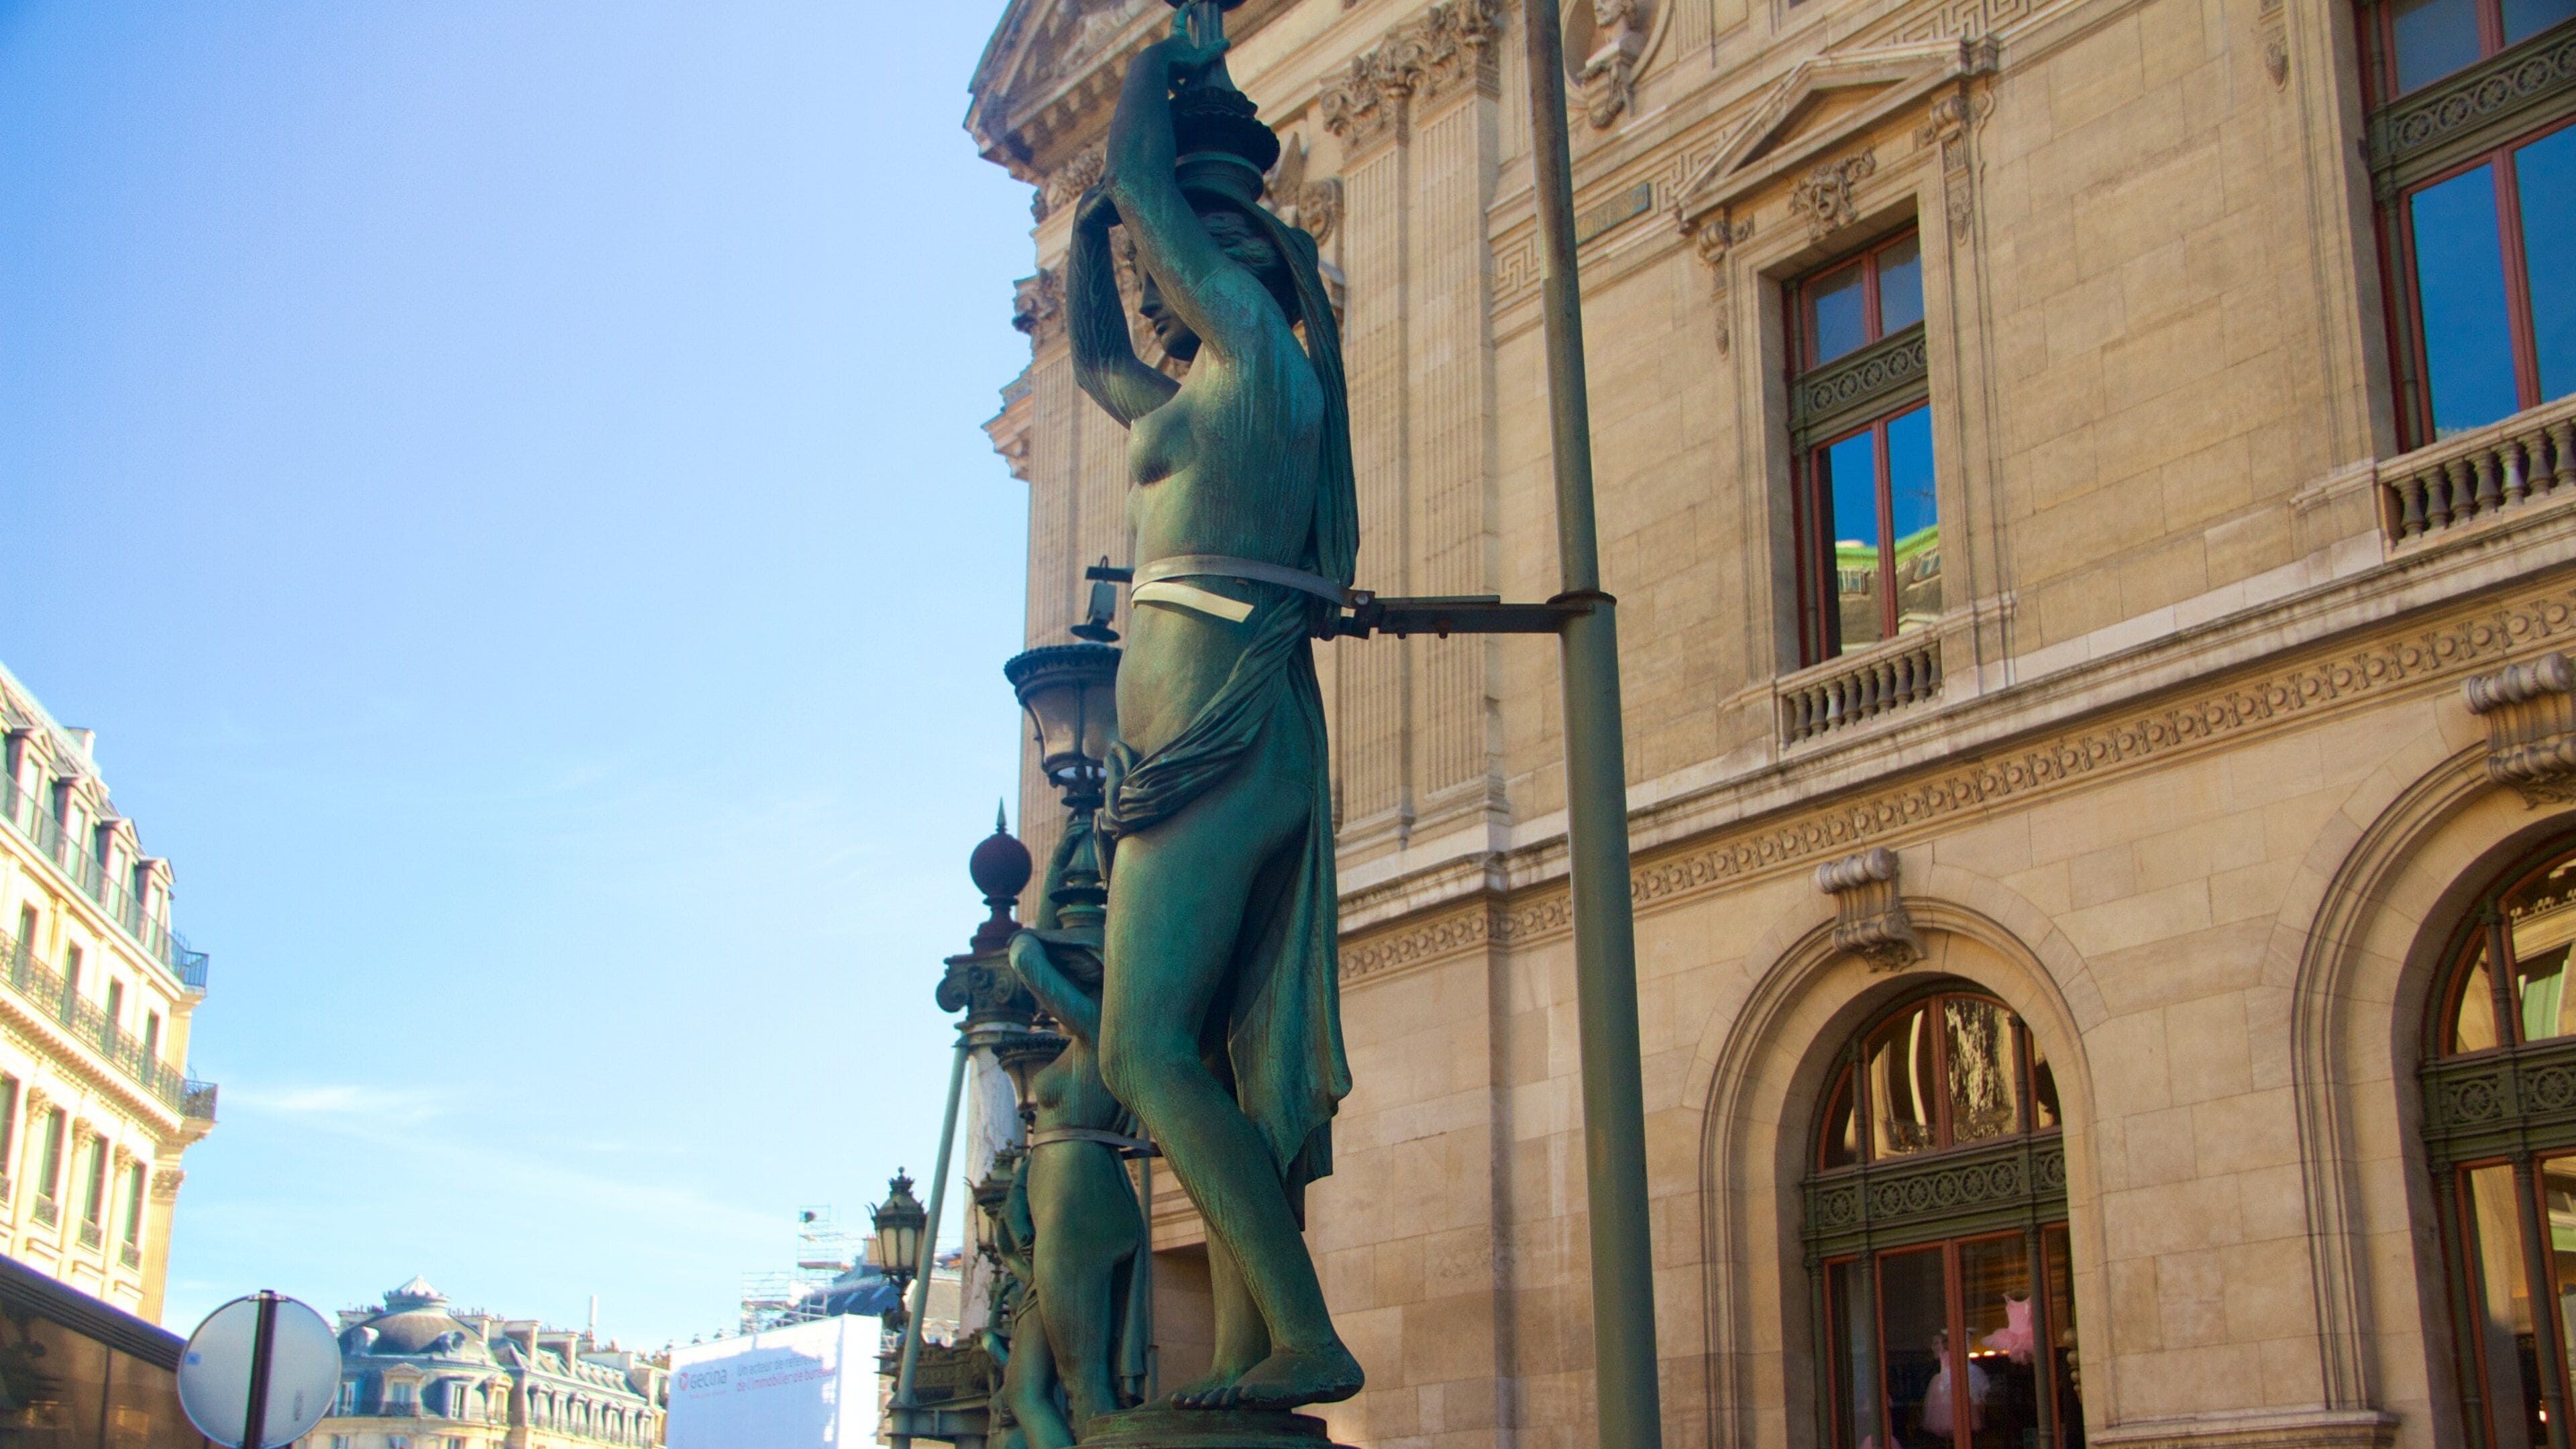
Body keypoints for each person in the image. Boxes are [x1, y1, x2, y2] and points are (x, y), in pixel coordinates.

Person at [1061, 5, 1362, 1413]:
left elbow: (1141, 186)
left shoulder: (1254, 347)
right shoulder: (1206, 394)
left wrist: (1153, 72)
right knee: (1225, 1064)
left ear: (1229, 270)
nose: (1161, 293)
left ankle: (1302, 1330)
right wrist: (1078, 247)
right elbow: (1100, 373)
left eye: (1175, 265)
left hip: (1219, 737)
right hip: (1214, 745)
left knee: (1138, 1047)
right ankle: (1253, 1348)